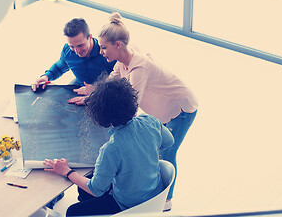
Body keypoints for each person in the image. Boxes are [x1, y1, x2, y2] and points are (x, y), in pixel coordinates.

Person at [68, 12, 198, 211]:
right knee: (150, 146)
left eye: (103, 47)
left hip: (180, 108)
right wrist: (92, 98)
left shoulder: (139, 69)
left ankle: (165, 201)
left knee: (167, 153)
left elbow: (129, 104)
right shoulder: (123, 60)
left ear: (118, 45)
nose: (100, 52)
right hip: (161, 110)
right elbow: (111, 82)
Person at [44, 77, 174, 216]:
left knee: (72, 211)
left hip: (129, 205)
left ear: (100, 116)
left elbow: (96, 190)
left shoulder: (111, 149)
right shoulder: (150, 120)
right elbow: (169, 142)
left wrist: (67, 172)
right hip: (154, 193)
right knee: (84, 187)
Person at [32, 18, 116, 91]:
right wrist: (46, 76)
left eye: (80, 45)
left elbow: (120, 83)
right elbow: (59, 68)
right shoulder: (68, 51)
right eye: (72, 46)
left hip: (104, 93)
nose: (77, 51)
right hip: (80, 87)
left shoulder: (106, 52)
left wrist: (96, 90)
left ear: (90, 37)